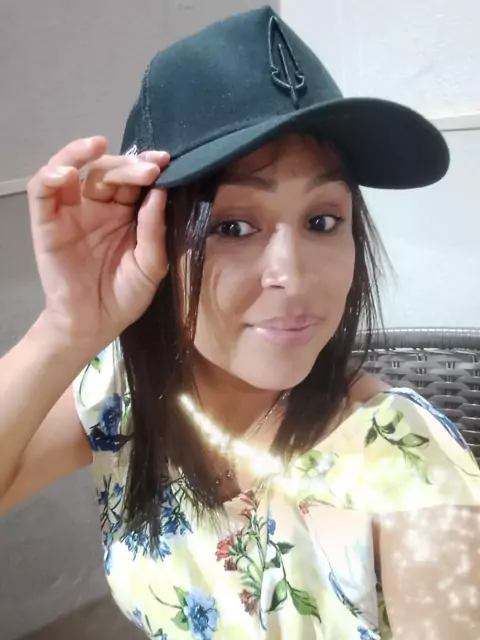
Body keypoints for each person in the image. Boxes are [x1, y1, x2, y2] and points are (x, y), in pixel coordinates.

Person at [1, 6, 480, 639]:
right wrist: (65, 328)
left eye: (322, 221)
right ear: (151, 239)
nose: (293, 276)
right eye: (232, 226)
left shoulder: (404, 464)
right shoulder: (124, 393)